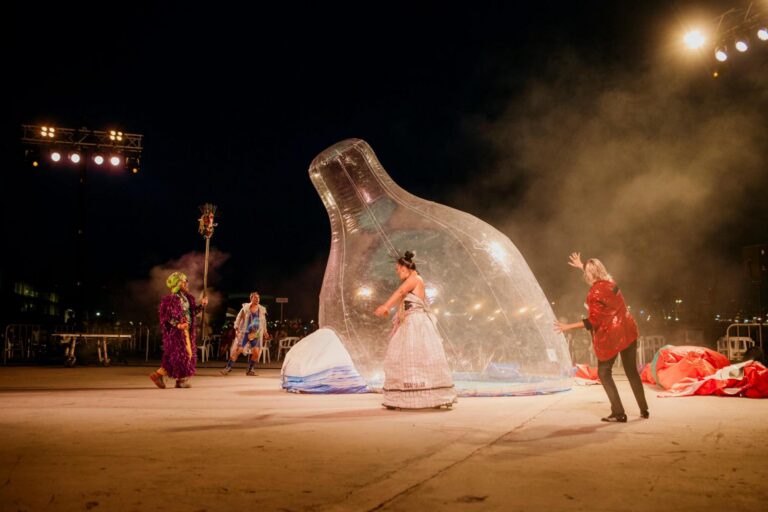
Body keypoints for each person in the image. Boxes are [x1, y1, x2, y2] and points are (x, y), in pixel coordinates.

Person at [555, 252, 649, 422]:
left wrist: (567, 327)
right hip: (628, 331)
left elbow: (592, 321)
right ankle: (644, 409)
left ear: (589, 275)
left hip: (613, 336)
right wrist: (582, 265)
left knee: (604, 372)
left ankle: (619, 412)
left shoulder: (593, 293)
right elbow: (597, 274)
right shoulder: (612, 285)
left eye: (586, 273)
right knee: (632, 372)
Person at [374, 251, 457, 410]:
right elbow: (401, 296)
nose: (397, 272)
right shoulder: (411, 280)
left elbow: (400, 292)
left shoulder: (415, 279)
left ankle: (432, 395)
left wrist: (385, 306)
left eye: (398, 269)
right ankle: (401, 396)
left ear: (405, 267)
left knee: (418, 355)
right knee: (401, 356)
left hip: (416, 323)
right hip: (410, 322)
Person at [150, 271, 208, 389]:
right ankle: (164, 376)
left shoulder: (187, 298)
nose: (187, 283)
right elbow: (166, 317)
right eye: (184, 281)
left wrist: (202, 305)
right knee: (181, 355)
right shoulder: (171, 299)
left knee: (182, 355)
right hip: (176, 333)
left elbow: (192, 313)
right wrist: (178, 325)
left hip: (186, 331)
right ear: (178, 284)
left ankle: (178, 379)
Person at [220, 292, 268, 376]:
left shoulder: (261, 309)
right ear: (251, 299)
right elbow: (238, 318)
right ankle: (228, 368)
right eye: (255, 298)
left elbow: (263, 322)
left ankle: (250, 369)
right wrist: (236, 328)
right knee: (238, 351)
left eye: (258, 298)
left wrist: (265, 331)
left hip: (255, 334)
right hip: (245, 333)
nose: (257, 299)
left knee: (256, 353)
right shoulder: (245, 308)